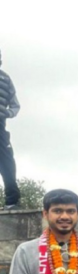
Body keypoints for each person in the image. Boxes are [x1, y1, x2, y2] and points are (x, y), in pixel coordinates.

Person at [0, 49, 20, 210]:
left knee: (6, 160)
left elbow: (15, 105)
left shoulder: (5, 78)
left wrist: (7, 113)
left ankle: (12, 201)